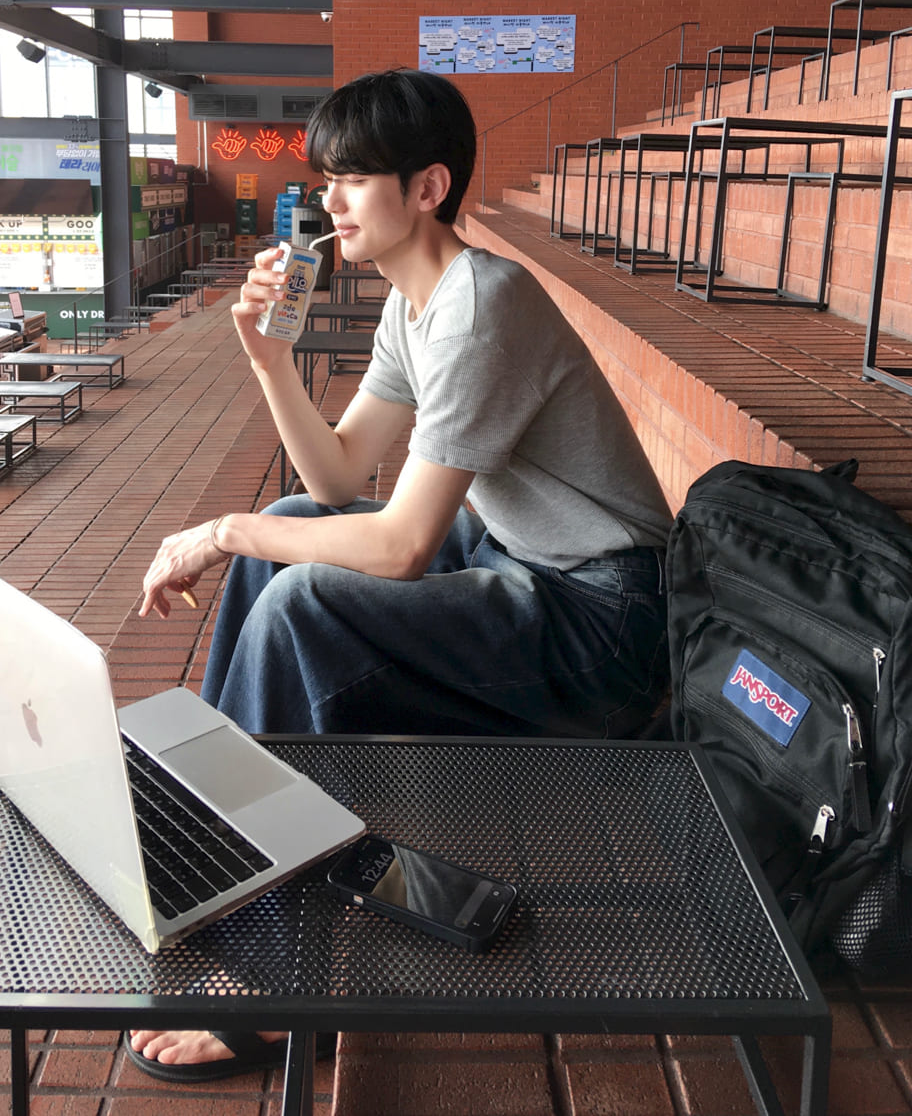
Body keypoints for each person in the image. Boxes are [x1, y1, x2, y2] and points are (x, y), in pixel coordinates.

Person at [126, 68, 674, 1082]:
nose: (327, 200)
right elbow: (336, 478)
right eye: (325, 179)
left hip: (602, 618)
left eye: (351, 178)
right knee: (294, 526)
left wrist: (226, 529)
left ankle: (275, 977)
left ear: (426, 187)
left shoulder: (480, 306)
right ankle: (214, 847)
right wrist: (268, 361)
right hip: (516, 562)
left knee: (298, 590)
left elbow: (404, 544)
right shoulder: (412, 305)